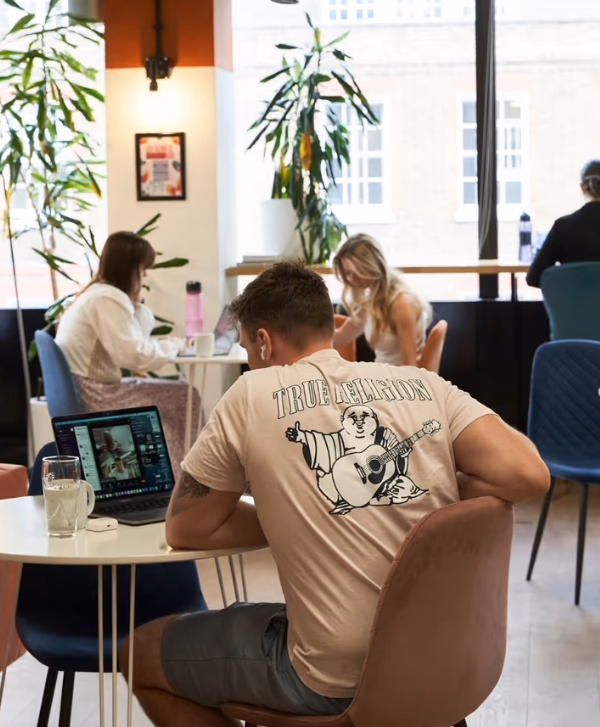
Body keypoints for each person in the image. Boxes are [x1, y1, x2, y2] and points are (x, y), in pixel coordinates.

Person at [125, 261, 549, 725]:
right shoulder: (422, 384)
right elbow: (528, 474)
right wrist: (432, 484)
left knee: (139, 653)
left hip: (333, 680)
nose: (250, 359)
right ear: (329, 328)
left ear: (263, 341)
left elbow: (185, 527)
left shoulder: (251, 393)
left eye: (248, 347)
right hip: (446, 661)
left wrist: (294, 506)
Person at [53, 230, 198, 469]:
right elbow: (135, 356)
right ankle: (187, 480)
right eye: (142, 269)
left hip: (90, 388)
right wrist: (173, 346)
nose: (145, 274)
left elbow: (136, 338)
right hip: (97, 394)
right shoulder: (106, 299)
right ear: (129, 268)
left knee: (181, 394)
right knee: (186, 397)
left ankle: (175, 476)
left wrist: (135, 301)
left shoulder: (99, 293)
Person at [524, 158, 600, 288]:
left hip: (573, 307)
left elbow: (533, 277)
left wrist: (567, 284)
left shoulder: (563, 227)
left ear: (583, 188)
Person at [330, 234, 431, 367]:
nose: (351, 280)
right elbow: (341, 338)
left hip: (396, 383)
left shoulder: (401, 305)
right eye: (348, 273)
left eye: (357, 271)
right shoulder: (375, 300)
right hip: (382, 377)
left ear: (372, 266)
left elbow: (410, 367)